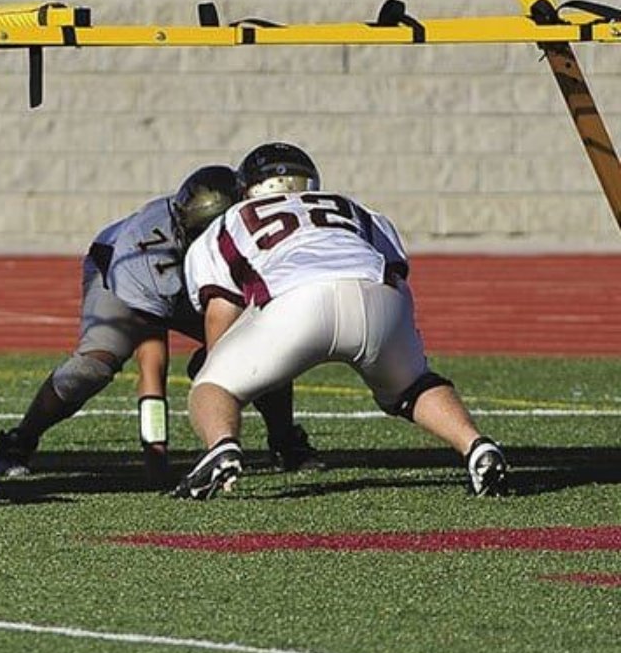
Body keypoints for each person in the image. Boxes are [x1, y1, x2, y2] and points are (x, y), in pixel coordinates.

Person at [176, 141, 508, 500]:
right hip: (378, 294)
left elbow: (221, 312)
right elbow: (395, 267)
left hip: (296, 301)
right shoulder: (355, 208)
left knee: (214, 386)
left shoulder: (227, 222)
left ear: (246, 188)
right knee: (413, 387)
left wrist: (221, 368)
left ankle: (221, 447)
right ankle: (476, 446)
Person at [0, 165, 321, 488]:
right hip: (117, 268)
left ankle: (284, 439)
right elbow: (152, 357)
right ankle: (20, 439)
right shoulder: (149, 258)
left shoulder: (243, 227)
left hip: (199, 278)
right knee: (93, 365)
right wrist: (155, 447)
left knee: (261, 344)